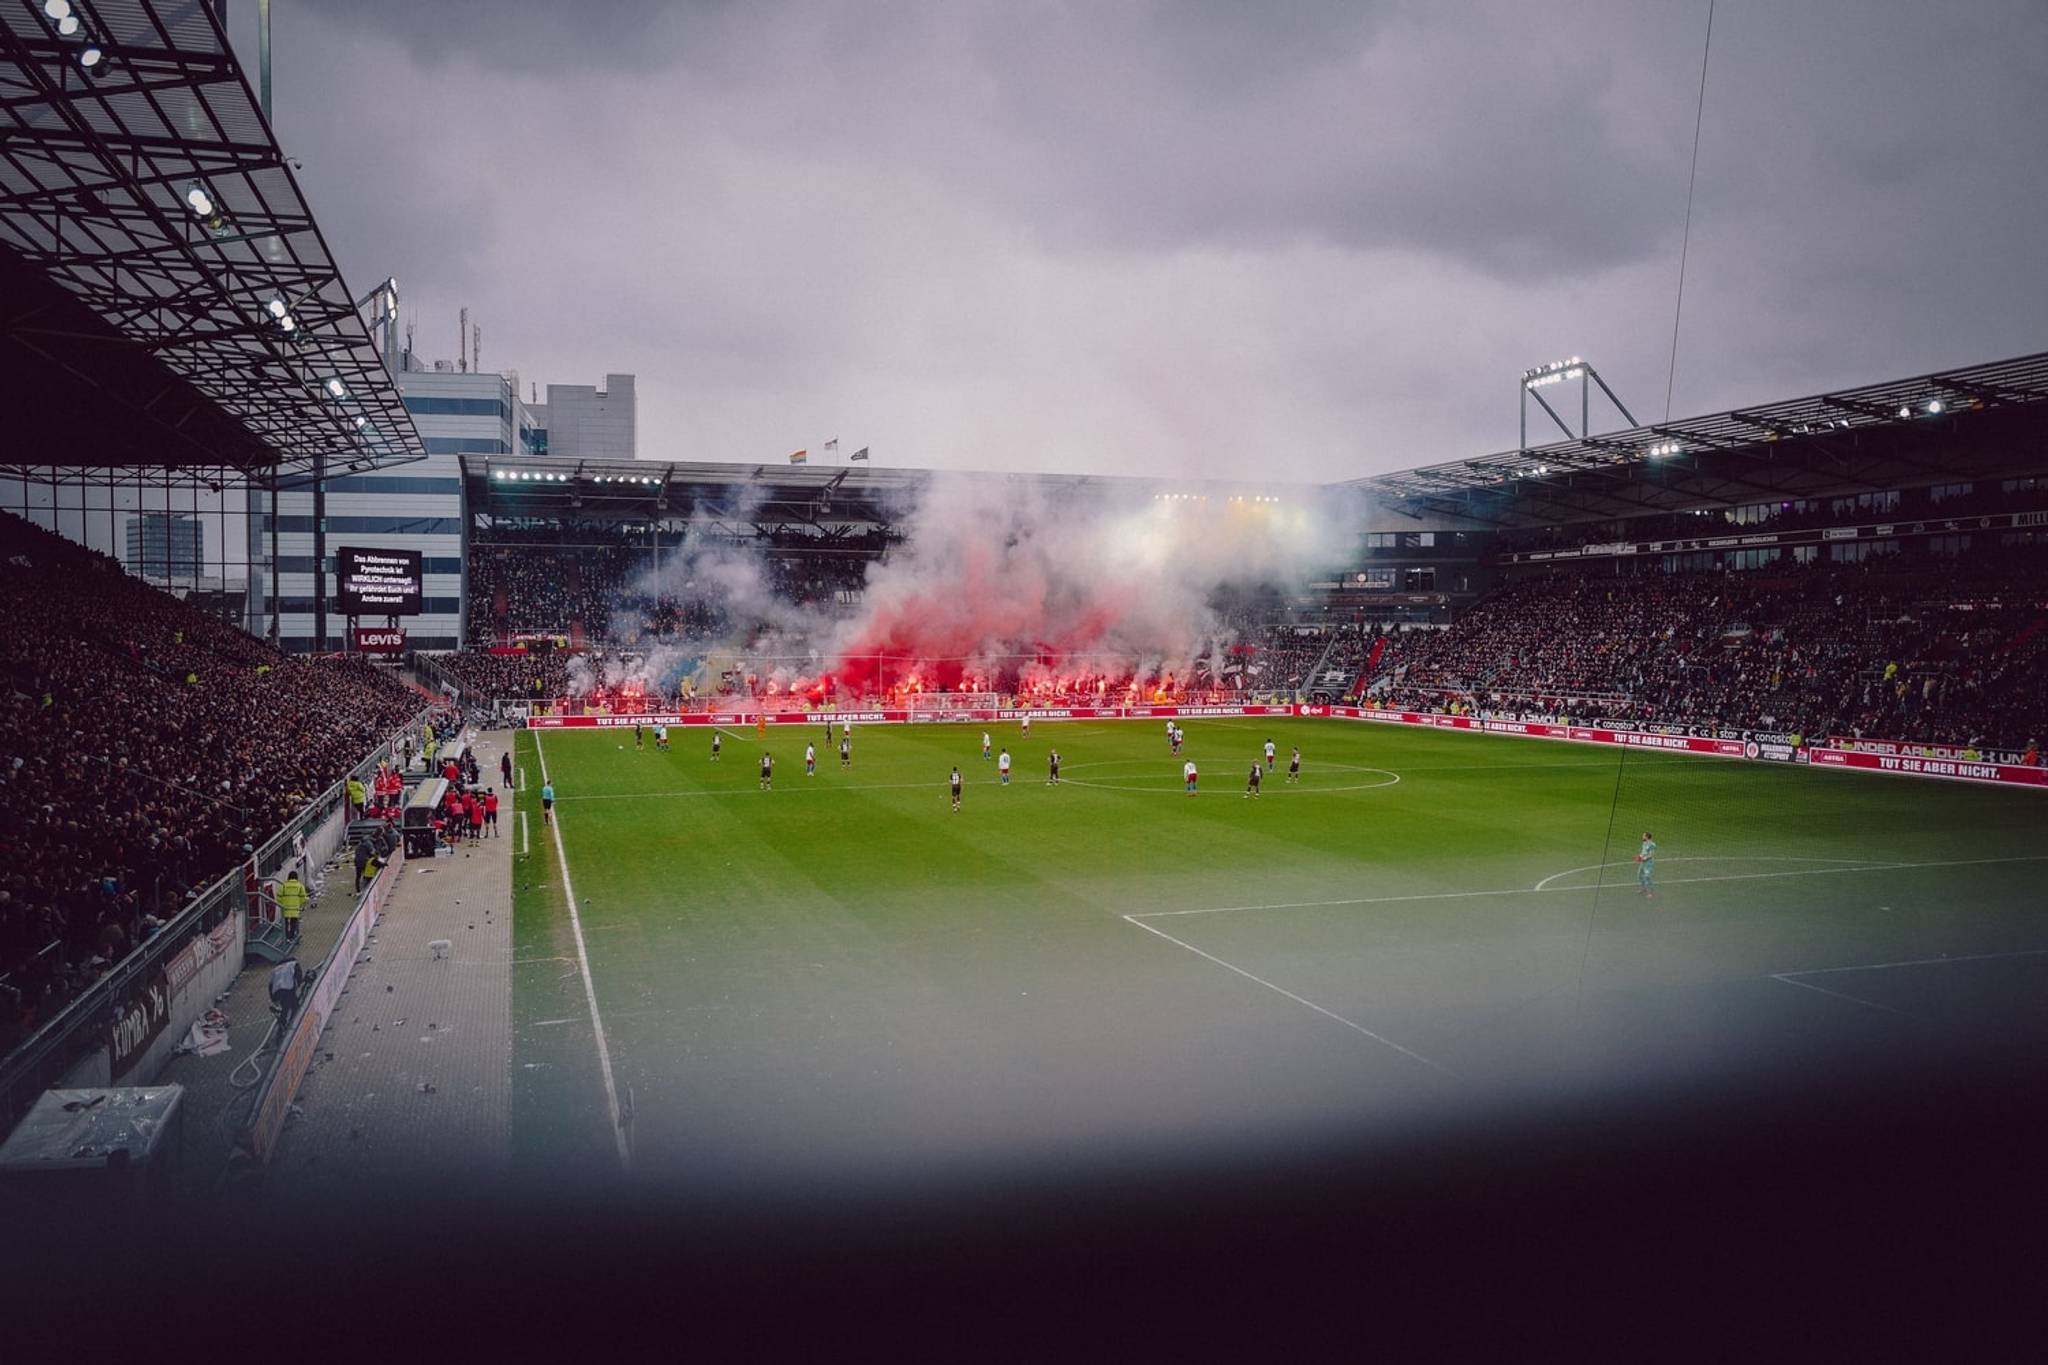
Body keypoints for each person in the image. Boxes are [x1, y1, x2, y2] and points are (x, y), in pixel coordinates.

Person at [275, 869, 307, 941]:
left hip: (285, 907)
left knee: (285, 921)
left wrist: (282, 903)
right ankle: (292, 935)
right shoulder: (300, 886)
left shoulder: (284, 886)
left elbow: (279, 896)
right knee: (294, 921)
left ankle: (286, 935)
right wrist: (300, 904)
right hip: (295, 908)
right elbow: (303, 897)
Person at [1637, 831, 1658, 900]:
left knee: (1647, 877)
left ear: (1646, 837)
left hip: (1648, 863)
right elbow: (1643, 852)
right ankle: (1644, 888)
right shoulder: (1644, 843)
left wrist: (1645, 858)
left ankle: (1650, 892)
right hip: (1643, 863)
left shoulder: (1652, 845)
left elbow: (1651, 854)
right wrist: (1640, 856)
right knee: (1639, 875)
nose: (1642, 837)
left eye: (1643, 836)